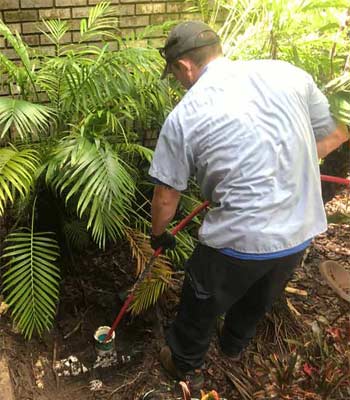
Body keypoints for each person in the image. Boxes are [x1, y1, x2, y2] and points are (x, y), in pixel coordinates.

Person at [148, 20, 349, 390]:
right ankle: (234, 346)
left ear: (184, 66)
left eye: (175, 74)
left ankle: (184, 362)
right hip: (299, 231)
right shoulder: (287, 74)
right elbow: (338, 132)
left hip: (238, 240)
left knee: (200, 299)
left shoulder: (185, 115)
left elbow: (166, 197)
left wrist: (158, 236)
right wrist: (289, 165)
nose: (179, 81)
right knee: (261, 294)